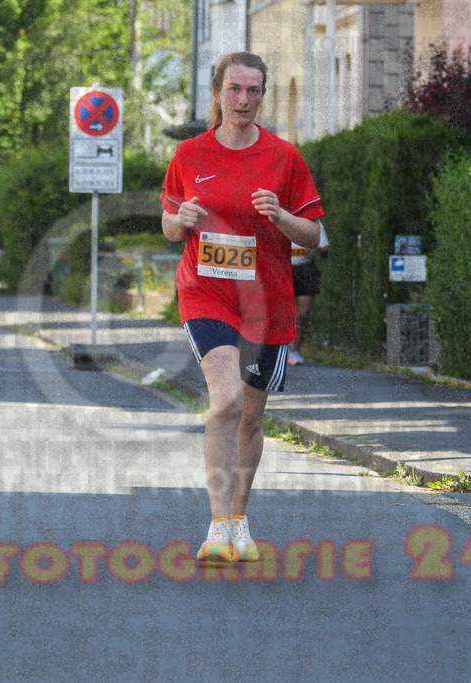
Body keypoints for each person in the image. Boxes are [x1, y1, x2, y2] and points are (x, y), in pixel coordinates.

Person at [160, 52, 325, 565]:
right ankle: (215, 526)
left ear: (262, 96)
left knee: (251, 418)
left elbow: (314, 235)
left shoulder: (284, 157)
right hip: (206, 293)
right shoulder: (190, 155)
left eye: (253, 91)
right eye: (234, 89)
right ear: (217, 93)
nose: (243, 100)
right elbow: (168, 225)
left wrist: (280, 216)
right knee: (227, 400)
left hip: (265, 303)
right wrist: (180, 220)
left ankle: (239, 521)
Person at [287, 222, 330, 365]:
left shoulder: (314, 223)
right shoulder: (279, 216)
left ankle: (294, 351)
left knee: (302, 314)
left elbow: (325, 251)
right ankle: (279, 349)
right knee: (283, 313)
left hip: (306, 270)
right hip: (283, 269)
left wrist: (315, 245)